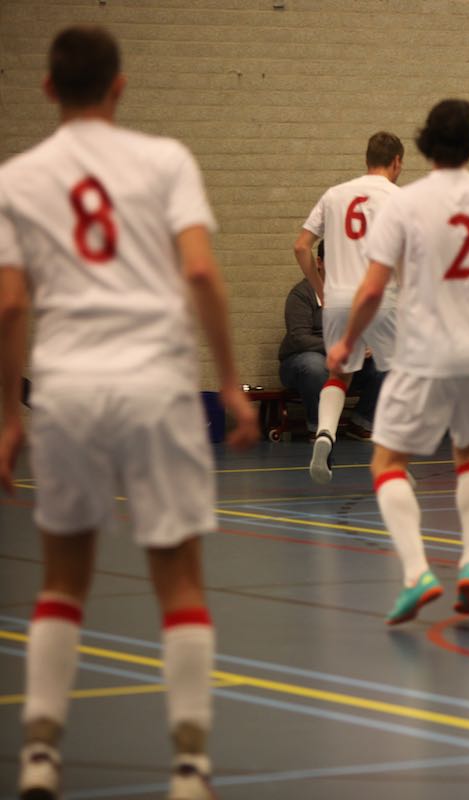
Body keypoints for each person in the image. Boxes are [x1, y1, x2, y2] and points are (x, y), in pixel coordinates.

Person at [0, 26, 257, 800]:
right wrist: (232, 383)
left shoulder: (16, 178)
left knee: (62, 580)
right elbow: (201, 273)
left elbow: (9, 305)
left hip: (66, 389)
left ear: (48, 88)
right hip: (156, 385)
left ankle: (39, 752)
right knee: (178, 579)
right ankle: (190, 767)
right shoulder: (165, 160)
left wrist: (9, 415)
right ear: (119, 85)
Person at [327, 98, 469, 625]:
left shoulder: (404, 205)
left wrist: (347, 341)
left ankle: (418, 573)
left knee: (387, 463)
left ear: (423, 147)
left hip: (425, 354)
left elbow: (372, 290)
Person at [293, 131, 404, 482]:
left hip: (339, 299)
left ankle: (325, 433)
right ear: (397, 162)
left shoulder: (334, 195)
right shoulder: (400, 199)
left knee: (339, 375)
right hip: (381, 296)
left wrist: (321, 289)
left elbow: (301, 246)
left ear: (366, 159)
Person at [279, 241, 384, 440]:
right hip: (302, 362)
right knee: (314, 365)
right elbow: (299, 338)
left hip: (346, 362)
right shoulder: (302, 294)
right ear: (319, 262)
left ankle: (361, 422)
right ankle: (320, 427)